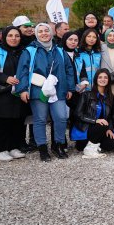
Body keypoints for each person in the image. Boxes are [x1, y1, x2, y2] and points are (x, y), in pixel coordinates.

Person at [15, 23, 75, 162]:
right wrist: (22, 90)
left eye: (46, 30)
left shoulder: (60, 50)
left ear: (51, 33)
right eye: (40, 31)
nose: (44, 33)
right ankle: (42, 148)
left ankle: (58, 144)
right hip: (38, 90)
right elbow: (22, 71)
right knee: (40, 119)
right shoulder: (30, 51)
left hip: (58, 90)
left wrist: (70, 88)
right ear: (36, 34)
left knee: (61, 117)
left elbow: (69, 69)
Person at [0, 26, 28, 161]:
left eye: (17, 36)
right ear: (4, 37)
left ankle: (13, 147)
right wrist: (5, 78)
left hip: (18, 92)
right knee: (1, 122)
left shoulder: (23, 52)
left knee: (17, 121)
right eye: (10, 35)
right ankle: (0, 149)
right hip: (2, 93)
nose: (14, 38)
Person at [70, 69, 114, 158]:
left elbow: (109, 116)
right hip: (86, 129)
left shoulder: (110, 97)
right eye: (100, 77)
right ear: (96, 79)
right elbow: (78, 114)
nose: (103, 79)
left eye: (105, 77)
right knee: (102, 124)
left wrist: (109, 129)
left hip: (101, 128)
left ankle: (95, 144)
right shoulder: (86, 95)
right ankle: (89, 150)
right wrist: (95, 120)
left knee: (112, 144)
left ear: (108, 80)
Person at [75, 28, 102, 94]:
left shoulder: (98, 53)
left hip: (96, 88)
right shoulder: (77, 52)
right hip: (81, 88)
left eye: (94, 37)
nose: (91, 39)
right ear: (84, 37)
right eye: (89, 36)